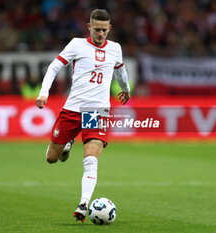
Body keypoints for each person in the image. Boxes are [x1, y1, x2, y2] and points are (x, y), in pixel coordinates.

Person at [35, 9, 130, 222]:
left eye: (104, 30)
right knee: (52, 158)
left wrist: (126, 89)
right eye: (96, 29)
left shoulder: (115, 49)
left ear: (109, 29)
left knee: (91, 159)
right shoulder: (77, 44)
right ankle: (67, 143)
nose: (100, 33)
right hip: (73, 109)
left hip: (97, 111)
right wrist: (44, 92)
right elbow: (54, 66)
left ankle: (83, 203)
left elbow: (120, 71)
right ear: (89, 27)